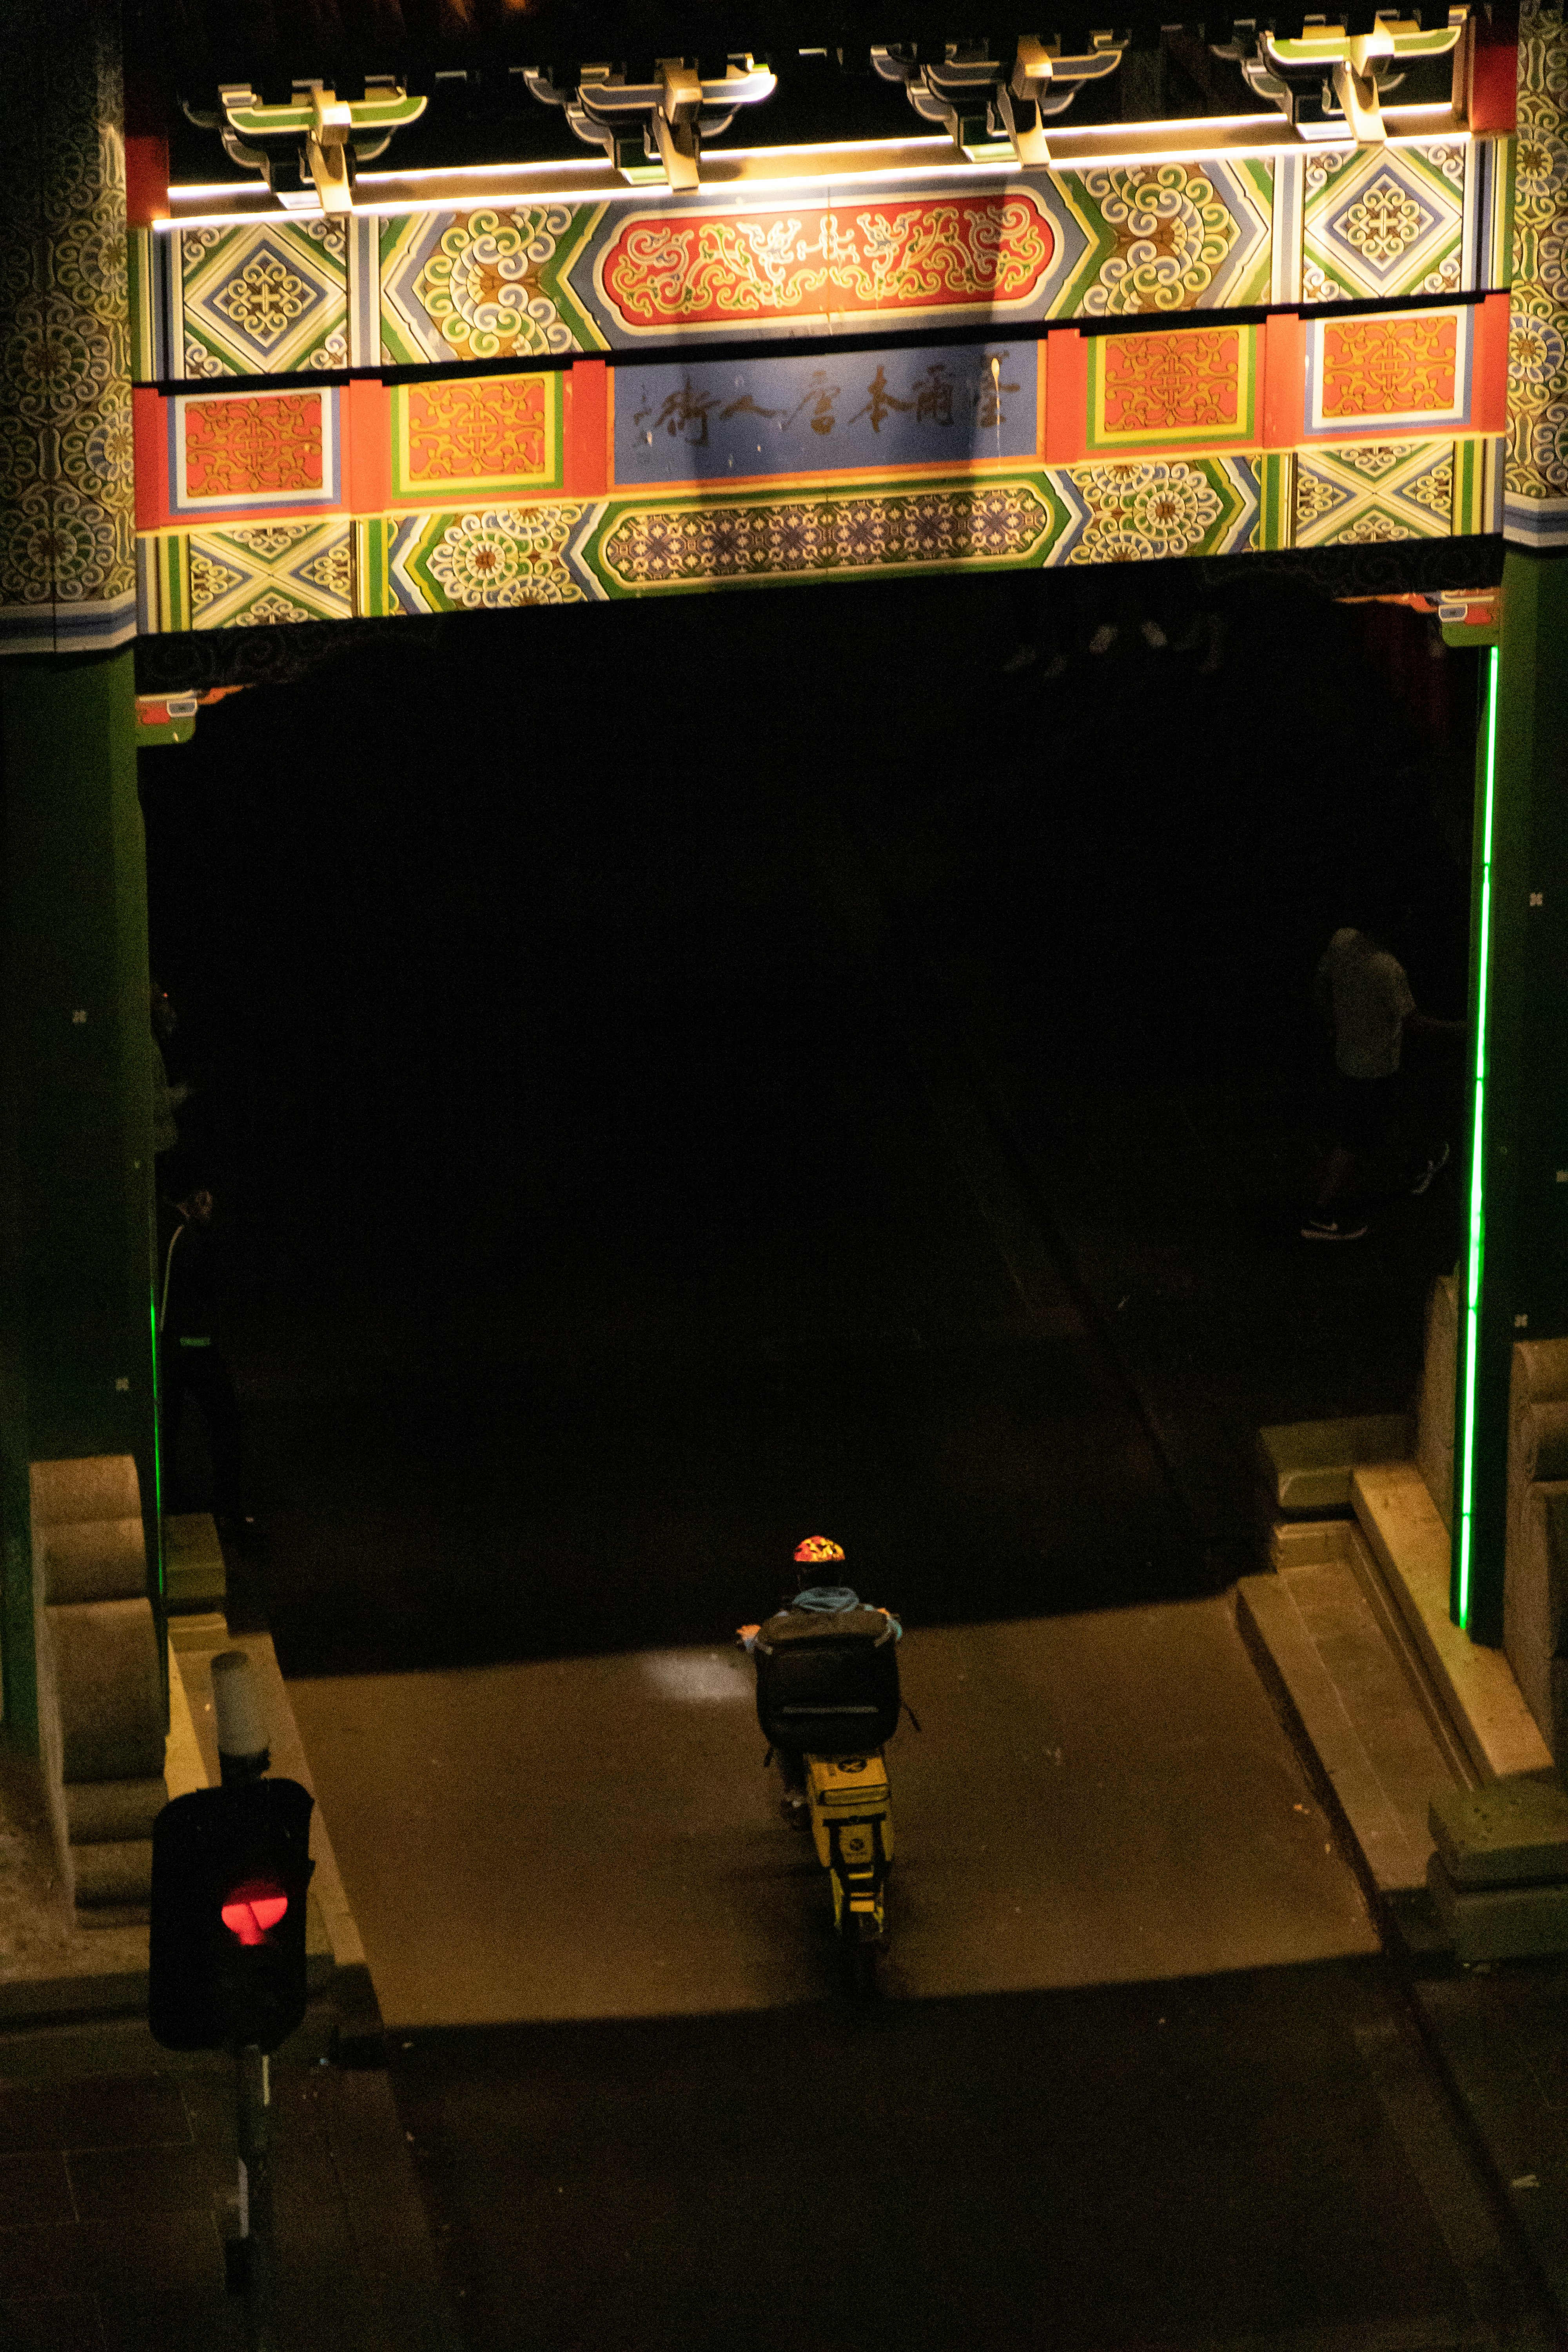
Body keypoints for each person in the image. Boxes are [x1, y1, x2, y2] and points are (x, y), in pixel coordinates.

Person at [1303, 906, 1460, 1241]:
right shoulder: (1388, 969)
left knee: (1389, 1118)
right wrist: (1468, 1030)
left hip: (1348, 1059)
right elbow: (1415, 1025)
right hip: (1374, 1068)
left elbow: (1319, 983)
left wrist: (1331, 1020)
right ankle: (1321, 1214)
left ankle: (1419, 1164)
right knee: (1352, 1141)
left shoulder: (1342, 940)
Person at [738, 1537, 902, 1829]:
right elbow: (895, 1632)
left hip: (802, 1729)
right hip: (867, 1724)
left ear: (801, 1578)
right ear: (840, 1575)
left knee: (785, 1739)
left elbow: (758, 1645)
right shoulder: (872, 1621)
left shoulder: (778, 1627)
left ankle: (798, 1795)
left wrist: (751, 1637)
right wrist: (887, 1618)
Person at [157, 1184, 252, 1541]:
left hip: (168, 1347)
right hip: (189, 1347)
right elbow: (201, 1296)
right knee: (224, 1419)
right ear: (196, 1198)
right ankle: (228, 1510)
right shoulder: (188, 1239)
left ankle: (174, 1502)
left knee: (168, 1429)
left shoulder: (165, 1228)